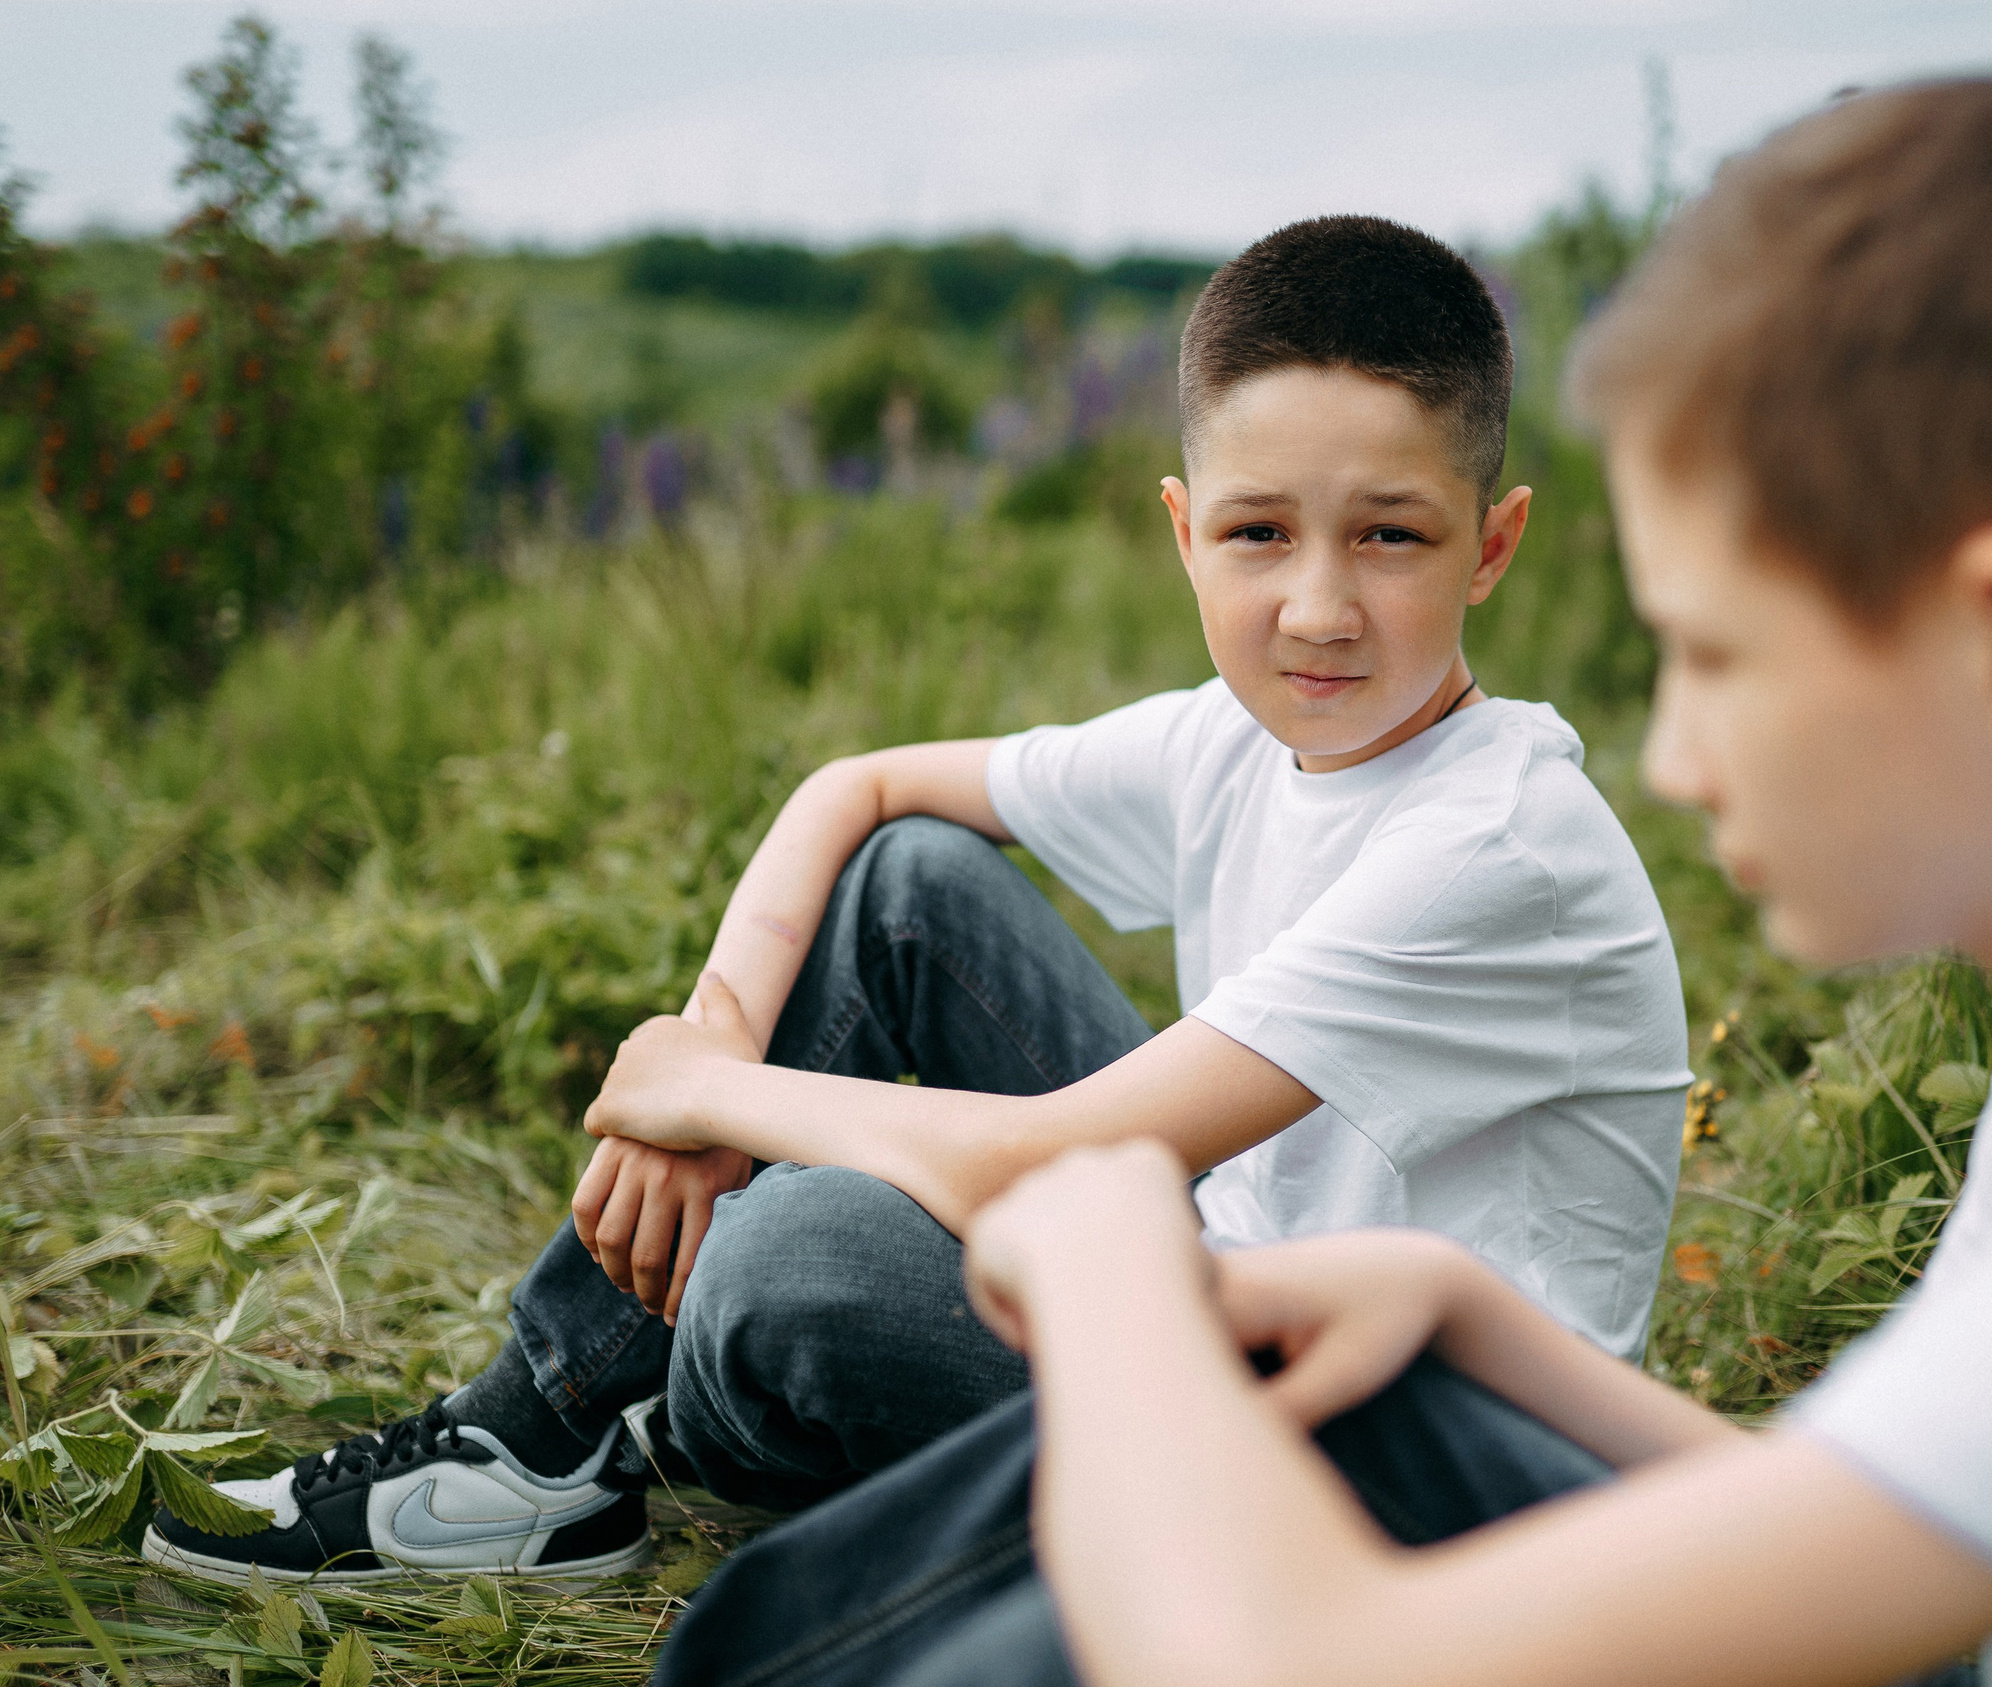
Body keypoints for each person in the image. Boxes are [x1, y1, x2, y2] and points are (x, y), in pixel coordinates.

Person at [644, 75, 1992, 1687]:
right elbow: (1901, 1521)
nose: (1672, 755)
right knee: (1347, 1400)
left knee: (1170, 1520)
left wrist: (1111, 1252)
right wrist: (1453, 1308)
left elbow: (1282, 1676)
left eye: (1718, 656)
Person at [140, 216, 1691, 1586]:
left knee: (785, 1263)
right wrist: (720, 1029)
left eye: (1393, 537)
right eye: (1260, 532)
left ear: (1492, 546)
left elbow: (1056, 1153)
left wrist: (723, 1090)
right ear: (1183, 528)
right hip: (1234, 1292)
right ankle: (534, 1444)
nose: (1318, 605)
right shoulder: (1243, 738)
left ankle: (661, 1430)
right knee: (905, 886)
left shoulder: (1494, 846)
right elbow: (860, 789)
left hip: (1400, 1481)